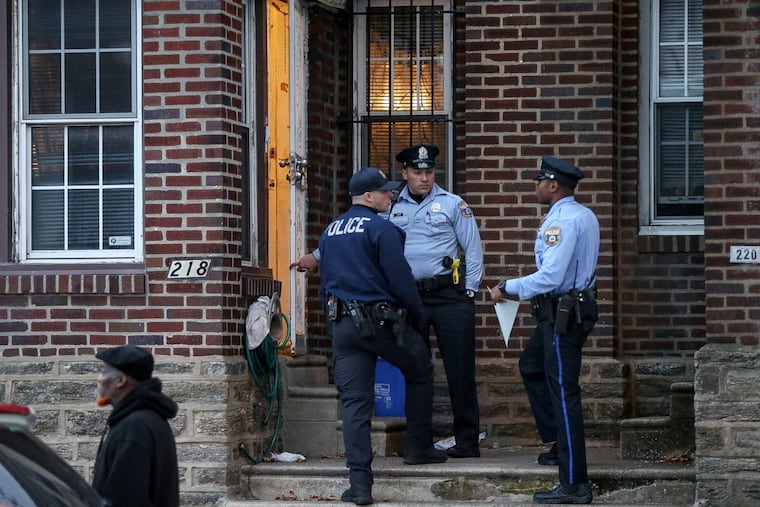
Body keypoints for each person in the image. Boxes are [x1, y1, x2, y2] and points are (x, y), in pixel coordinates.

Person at [291, 144, 484, 459]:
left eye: (429, 171)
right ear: (405, 173)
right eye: (417, 172)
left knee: (459, 370)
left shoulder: (453, 204)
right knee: (416, 367)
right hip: (407, 296)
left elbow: (472, 249)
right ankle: (418, 439)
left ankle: (466, 440)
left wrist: (470, 291)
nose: (424, 178)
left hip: (449, 295)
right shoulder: (389, 206)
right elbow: (358, 239)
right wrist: (314, 257)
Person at [319, 166, 447, 505]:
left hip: (344, 326)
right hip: (382, 323)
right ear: (367, 196)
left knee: (355, 404)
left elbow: (324, 284)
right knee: (420, 370)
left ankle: (360, 486)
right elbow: (401, 281)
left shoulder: (329, 231)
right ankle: (418, 446)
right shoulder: (382, 229)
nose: (391, 196)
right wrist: (418, 319)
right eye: (385, 192)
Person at [488, 156, 599, 505]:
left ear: (552, 185)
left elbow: (550, 277)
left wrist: (507, 287)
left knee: (565, 394)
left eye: (539, 180)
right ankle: (557, 442)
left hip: (562, 313)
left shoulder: (563, 221)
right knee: (532, 366)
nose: (535, 186)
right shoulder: (581, 215)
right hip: (565, 311)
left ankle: (574, 484)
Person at [93, 345, 180, 507]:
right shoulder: (146, 419)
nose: (98, 378)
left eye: (103, 372)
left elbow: (126, 499)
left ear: (121, 381)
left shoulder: (134, 428)